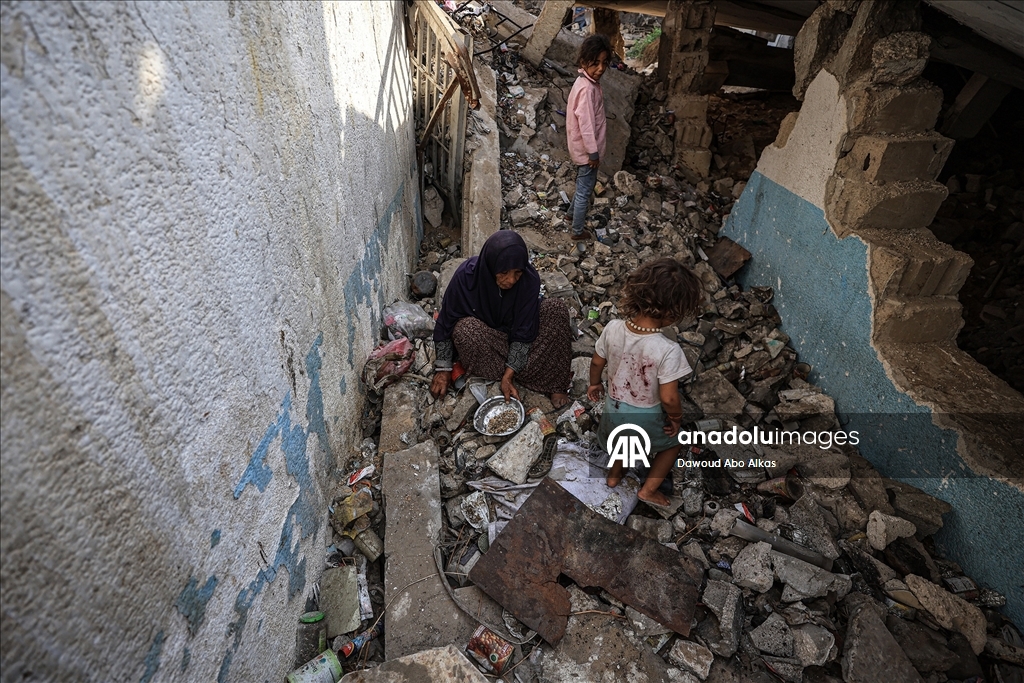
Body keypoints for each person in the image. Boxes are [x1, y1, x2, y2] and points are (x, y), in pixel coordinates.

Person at [587, 258, 703, 506]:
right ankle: (648, 490)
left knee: (622, 441)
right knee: (673, 445)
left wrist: (594, 384)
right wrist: (675, 420)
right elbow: (670, 397)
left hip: (613, 410)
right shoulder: (667, 350)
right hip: (644, 418)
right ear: (672, 312)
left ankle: (614, 476)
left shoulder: (613, 328)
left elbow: (597, 362)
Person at [431, 231, 573, 407]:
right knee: (464, 330)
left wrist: (508, 375)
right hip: (489, 342)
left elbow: (524, 331)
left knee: (556, 309)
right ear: (491, 265)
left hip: (523, 339)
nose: (511, 280)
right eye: (504, 272)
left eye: (517, 273)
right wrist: (443, 369)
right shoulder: (466, 278)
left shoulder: (529, 280)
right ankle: (527, 372)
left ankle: (550, 381)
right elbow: (446, 321)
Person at [566, 34, 611, 241]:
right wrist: (593, 152)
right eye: (595, 64)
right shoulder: (586, 89)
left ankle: (570, 215)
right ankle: (577, 231)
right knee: (585, 190)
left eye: (604, 63)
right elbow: (586, 125)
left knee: (582, 185)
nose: (600, 69)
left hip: (585, 150)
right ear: (584, 62)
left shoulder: (586, 83)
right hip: (587, 152)